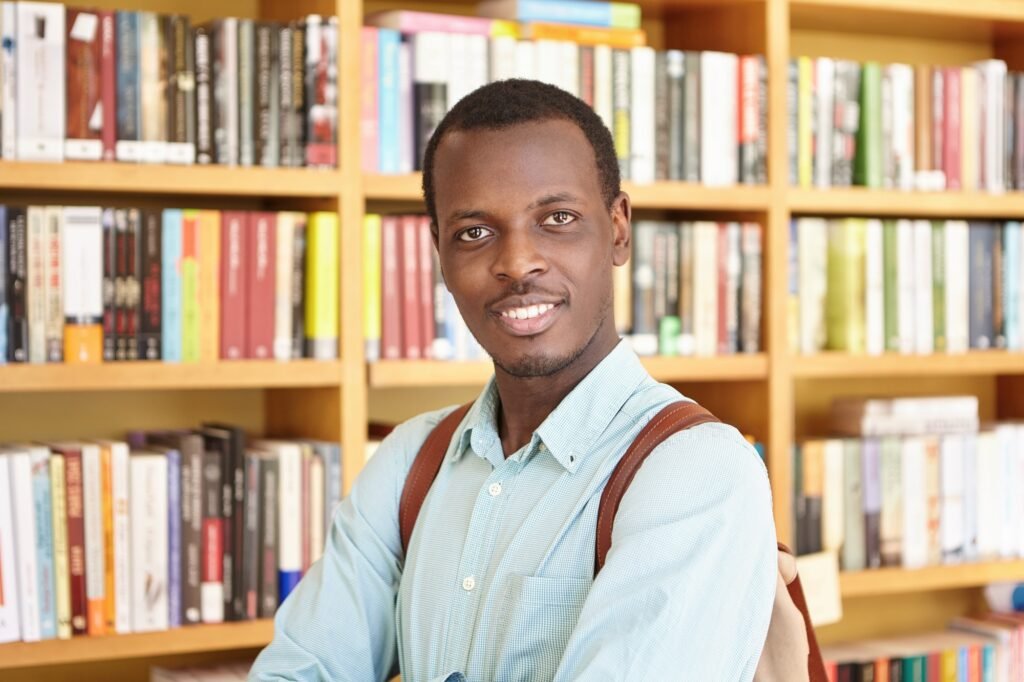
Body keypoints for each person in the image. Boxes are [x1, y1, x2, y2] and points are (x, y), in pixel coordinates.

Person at [250, 79, 777, 681]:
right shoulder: (407, 465)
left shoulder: (695, 470)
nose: (517, 263)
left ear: (619, 229)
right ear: (440, 256)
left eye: (557, 218)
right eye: (475, 232)